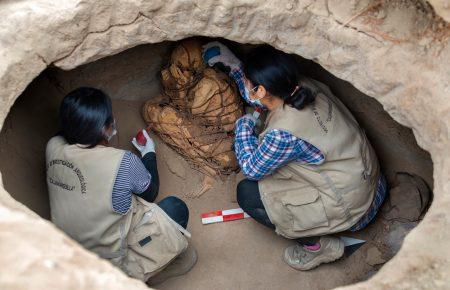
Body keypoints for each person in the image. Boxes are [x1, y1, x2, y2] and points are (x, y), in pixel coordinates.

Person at [203, 42, 387, 270]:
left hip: (355, 208)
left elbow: (251, 168)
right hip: (369, 178)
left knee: (248, 193)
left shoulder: (282, 134)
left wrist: (242, 127)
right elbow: (261, 99)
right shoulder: (301, 86)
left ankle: (317, 247)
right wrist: (236, 68)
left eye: (250, 83)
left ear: (260, 89)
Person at [45, 87, 197, 285]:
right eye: (110, 120)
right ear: (104, 129)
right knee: (175, 208)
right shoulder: (123, 162)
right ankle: (149, 271)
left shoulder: (53, 145)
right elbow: (150, 193)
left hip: (69, 250)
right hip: (109, 261)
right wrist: (149, 153)